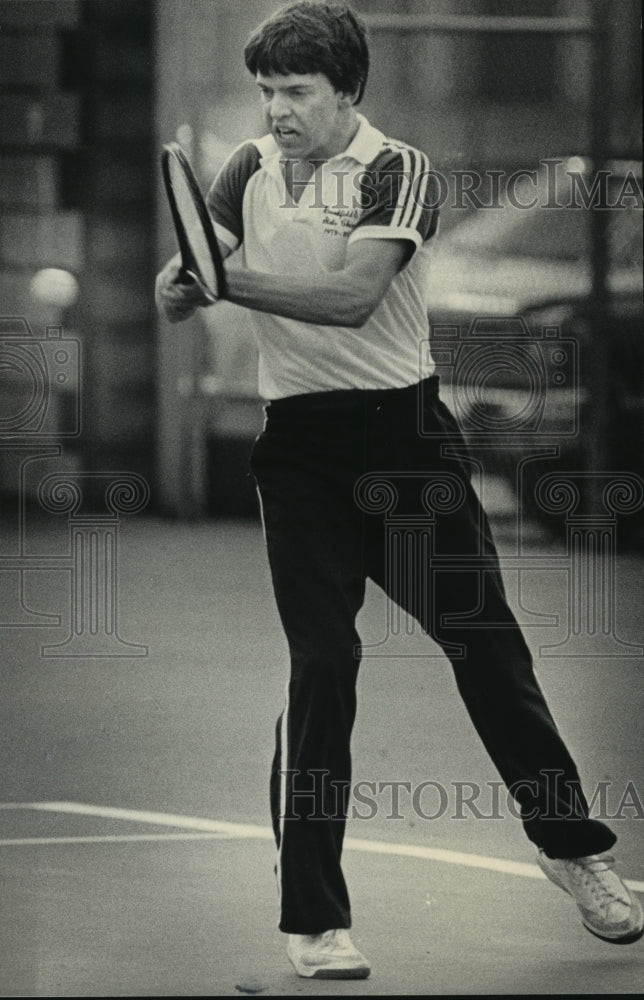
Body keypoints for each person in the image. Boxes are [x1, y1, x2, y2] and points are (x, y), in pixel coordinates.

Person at [155, 0, 643, 980]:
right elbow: (183, 281)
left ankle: (572, 850)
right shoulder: (244, 168)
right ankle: (314, 922)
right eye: (265, 90)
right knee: (321, 666)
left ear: (346, 91)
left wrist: (222, 280)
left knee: (488, 652)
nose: (277, 108)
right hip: (297, 450)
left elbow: (348, 297)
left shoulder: (400, 169)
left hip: (406, 448)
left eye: (296, 90)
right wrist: (181, 283)